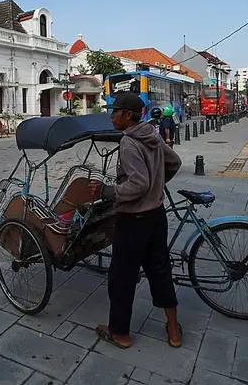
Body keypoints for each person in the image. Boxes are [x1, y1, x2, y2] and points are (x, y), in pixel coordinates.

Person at [87, 91, 183, 350]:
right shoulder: (150, 133)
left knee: (122, 277)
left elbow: (137, 184)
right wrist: (158, 186)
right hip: (156, 215)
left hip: (134, 220)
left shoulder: (129, 142)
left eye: (115, 111)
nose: (111, 116)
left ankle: (119, 333)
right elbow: (174, 161)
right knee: (160, 270)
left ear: (128, 115)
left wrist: (109, 192)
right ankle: (173, 329)